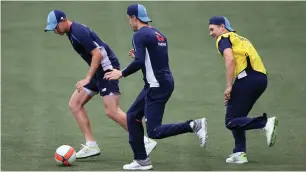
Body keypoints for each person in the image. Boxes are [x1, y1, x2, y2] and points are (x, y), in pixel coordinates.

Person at [104, 4, 208, 170]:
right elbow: (154, 57)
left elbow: (139, 62)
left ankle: (193, 125)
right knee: (132, 116)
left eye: (129, 19)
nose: (129, 23)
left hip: (156, 86)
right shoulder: (158, 34)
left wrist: (121, 73)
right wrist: (139, 55)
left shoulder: (139, 35)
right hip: (161, 82)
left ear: (133, 18)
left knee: (154, 131)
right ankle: (141, 160)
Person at [44, 9, 157, 159]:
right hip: (98, 71)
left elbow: (97, 53)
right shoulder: (72, 32)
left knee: (112, 110)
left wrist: (87, 78)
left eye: (55, 27)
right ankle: (91, 145)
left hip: (106, 70)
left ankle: (144, 141)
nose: (55, 31)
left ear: (63, 20)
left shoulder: (78, 31)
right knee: (75, 104)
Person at [208, 16, 279, 164]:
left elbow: (230, 59)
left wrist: (229, 85)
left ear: (222, 27)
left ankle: (264, 123)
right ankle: (240, 153)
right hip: (260, 78)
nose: (211, 33)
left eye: (212, 29)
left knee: (231, 120)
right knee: (238, 116)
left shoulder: (224, 38)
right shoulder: (241, 39)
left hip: (248, 78)